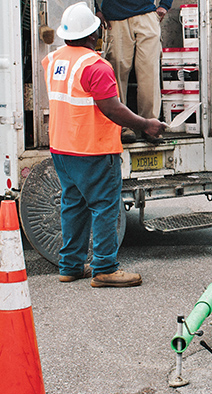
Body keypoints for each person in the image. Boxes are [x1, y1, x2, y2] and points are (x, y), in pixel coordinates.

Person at [43, 2, 165, 287]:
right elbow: (112, 109)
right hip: (93, 149)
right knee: (104, 208)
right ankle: (105, 268)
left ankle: (70, 266)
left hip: (62, 147)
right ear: (94, 34)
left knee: (73, 205)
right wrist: (146, 124)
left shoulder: (53, 60)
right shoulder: (96, 66)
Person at [95, 0, 172, 142]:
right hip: (115, 17)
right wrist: (95, 8)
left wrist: (165, 4)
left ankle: (151, 124)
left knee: (149, 72)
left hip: (147, 15)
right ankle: (122, 125)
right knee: (117, 72)